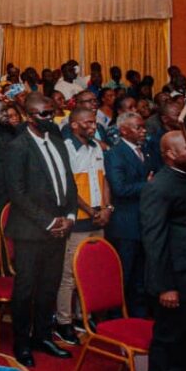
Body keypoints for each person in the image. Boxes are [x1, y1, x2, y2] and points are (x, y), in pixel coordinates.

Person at [5, 93, 77, 367]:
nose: (49, 118)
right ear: (28, 116)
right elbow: (18, 193)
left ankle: (43, 336)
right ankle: (22, 342)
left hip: (60, 229)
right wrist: (49, 222)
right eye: (43, 114)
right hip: (30, 231)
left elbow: (69, 183)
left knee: (50, 286)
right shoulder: (18, 147)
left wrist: (69, 217)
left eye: (52, 113)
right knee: (25, 290)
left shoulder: (57, 142)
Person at [141, 130, 186, 371]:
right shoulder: (159, 187)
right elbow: (154, 240)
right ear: (170, 154)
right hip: (175, 284)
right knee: (170, 350)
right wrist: (165, 286)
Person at [54, 107, 112, 345]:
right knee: (69, 274)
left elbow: (104, 180)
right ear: (74, 125)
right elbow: (68, 187)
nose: (93, 126)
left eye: (94, 122)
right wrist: (90, 211)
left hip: (99, 217)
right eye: (87, 123)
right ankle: (63, 321)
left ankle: (83, 315)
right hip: (78, 219)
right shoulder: (66, 148)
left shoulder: (96, 147)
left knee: (91, 269)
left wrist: (107, 208)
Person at [105, 110, 153, 317]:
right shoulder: (115, 154)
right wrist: (148, 185)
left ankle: (138, 318)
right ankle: (116, 319)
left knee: (140, 277)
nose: (143, 131)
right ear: (124, 131)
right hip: (125, 225)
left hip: (144, 222)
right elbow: (120, 189)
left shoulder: (145, 151)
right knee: (123, 276)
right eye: (138, 127)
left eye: (143, 127)